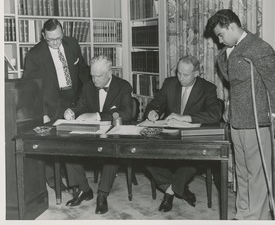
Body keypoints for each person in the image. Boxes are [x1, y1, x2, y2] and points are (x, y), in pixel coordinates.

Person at [204, 9, 275, 220]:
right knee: (242, 171)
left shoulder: (258, 47)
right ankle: (243, 213)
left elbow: (274, 81)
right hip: (237, 118)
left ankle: (254, 218)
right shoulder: (230, 50)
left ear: (232, 26)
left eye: (221, 35)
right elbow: (235, 82)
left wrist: (274, 116)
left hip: (257, 119)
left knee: (257, 173)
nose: (219, 41)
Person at [144, 55, 222, 212]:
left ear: (196, 73)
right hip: (168, 136)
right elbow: (156, 102)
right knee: (146, 155)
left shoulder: (208, 88)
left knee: (188, 161)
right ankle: (181, 190)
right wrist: (153, 111)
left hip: (192, 140)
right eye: (178, 73)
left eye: (185, 75)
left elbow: (215, 114)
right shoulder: (169, 83)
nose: (180, 78)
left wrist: (185, 118)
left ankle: (170, 193)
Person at [23, 18, 90, 191]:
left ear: (63, 33)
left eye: (58, 38)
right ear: (43, 36)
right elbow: (30, 87)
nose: (55, 42)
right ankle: (55, 182)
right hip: (51, 103)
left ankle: (77, 183)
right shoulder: (34, 55)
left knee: (71, 144)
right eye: (51, 39)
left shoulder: (72, 44)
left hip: (73, 99)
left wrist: (89, 96)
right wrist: (42, 112)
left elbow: (83, 71)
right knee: (52, 145)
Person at [63, 55, 133, 215]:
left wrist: (98, 115)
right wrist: (71, 112)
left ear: (110, 72)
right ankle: (84, 189)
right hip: (92, 132)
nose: (94, 80)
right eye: (92, 76)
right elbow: (80, 107)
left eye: (98, 76)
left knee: (111, 151)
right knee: (67, 146)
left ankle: (103, 194)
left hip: (114, 132)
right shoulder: (88, 86)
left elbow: (127, 113)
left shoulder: (123, 86)